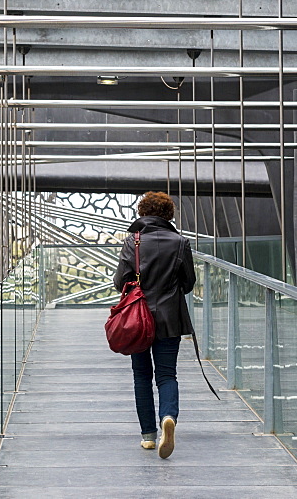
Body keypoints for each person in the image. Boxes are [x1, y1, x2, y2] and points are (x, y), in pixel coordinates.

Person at [113, 191, 196, 459]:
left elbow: (120, 281)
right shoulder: (180, 242)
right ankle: (168, 417)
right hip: (170, 319)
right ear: (169, 214)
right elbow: (188, 283)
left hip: (137, 320)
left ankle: (148, 436)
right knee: (167, 375)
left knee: (141, 375)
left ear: (142, 212)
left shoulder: (133, 242)